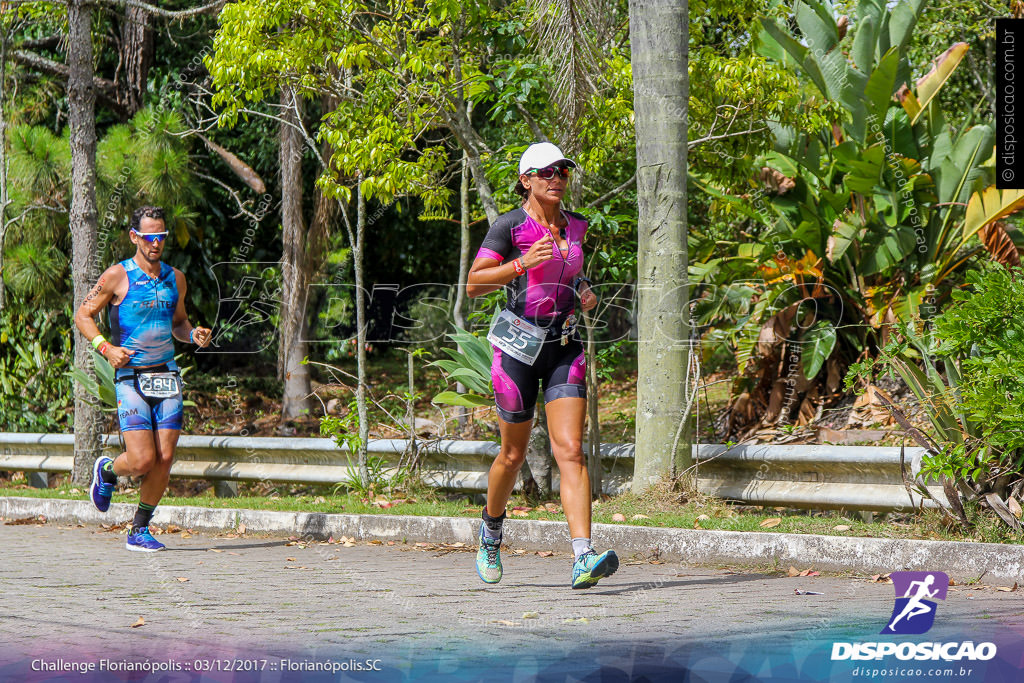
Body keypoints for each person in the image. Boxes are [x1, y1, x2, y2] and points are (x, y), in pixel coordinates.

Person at [466, 142, 618, 588]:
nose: (557, 178)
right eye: (547, 172)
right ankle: (491, 530)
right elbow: (474, 284)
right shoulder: (509, 226)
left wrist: (586, 291)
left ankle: (582, 557)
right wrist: (518, 264)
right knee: (512, 456)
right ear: (525, 179)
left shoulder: (578, 226)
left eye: (563, 172)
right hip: (516, 350)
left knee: (570, 449)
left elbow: (574, 274)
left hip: (564, 347)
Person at [74, 206, 211, 552]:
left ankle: (139, 529)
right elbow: (83, 314)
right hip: (131, 378)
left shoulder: (175, 278)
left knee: (165, 457)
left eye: (161, 236)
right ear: (135, 237)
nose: (156, 243)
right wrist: (106, 348)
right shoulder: (118, 276)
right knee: (141, 460)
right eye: (150, 237)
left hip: (166, 376)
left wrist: (192, 334)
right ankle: (107, 471)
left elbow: (178, 323)